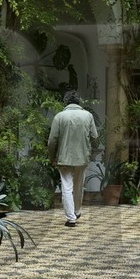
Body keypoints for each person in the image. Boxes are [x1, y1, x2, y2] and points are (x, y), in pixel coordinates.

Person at [47, 89, 98, 228]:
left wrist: (52, 156)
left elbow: (52, 140)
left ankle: (71, 218)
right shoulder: (88, 116)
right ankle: (77, 211)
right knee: (79, 185)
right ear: (79, 101)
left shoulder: (59, 116)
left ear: (66, 101)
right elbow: (95, 136)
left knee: (66, 186)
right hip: (82, 156)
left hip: (64, 158)